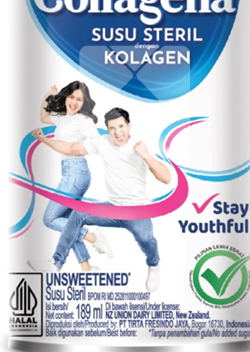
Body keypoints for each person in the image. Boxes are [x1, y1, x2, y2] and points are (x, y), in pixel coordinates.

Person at [32, 107, 171, 291]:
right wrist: (44, 139)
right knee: (77, 213)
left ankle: (154, 266)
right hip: (112, 208)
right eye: (112, 128)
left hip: (136, 211)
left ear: (129, 126)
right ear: (108, 129)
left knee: (146, 240)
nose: (117, 132)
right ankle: (56, 264)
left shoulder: (140, 146)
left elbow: (166, 178)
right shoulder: (102, 142)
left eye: (121, 126)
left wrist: (145, 155)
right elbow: (71, 148)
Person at [27, 81, 110, 272]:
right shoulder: (64, 117)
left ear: (84, 102)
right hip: (70, 172)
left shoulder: (84, 120)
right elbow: (43, 116)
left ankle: (94, 238)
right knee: (67, 221)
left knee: (50, 219)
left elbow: (97, 144)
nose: (74, 102)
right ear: (66, 97)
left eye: (79, 99)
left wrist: (46, 141)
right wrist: (49, 93)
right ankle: (86, 268)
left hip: (75, 172)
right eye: (71, 97)